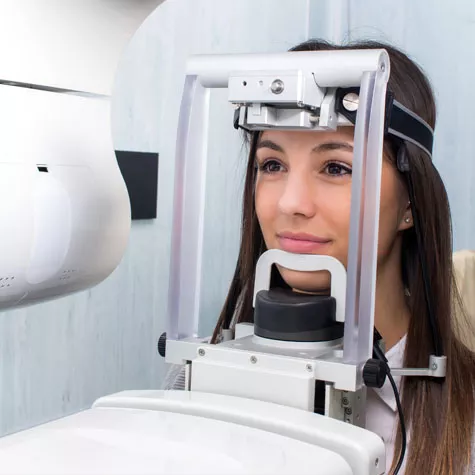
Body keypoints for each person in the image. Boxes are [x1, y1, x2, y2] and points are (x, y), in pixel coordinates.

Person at [166, 39, 475, 474]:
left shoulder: (467, 420)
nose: (290, 203)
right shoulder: (198, 382)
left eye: (336, 168)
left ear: (411, 204)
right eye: (272, 165)